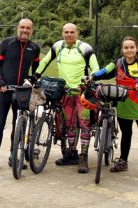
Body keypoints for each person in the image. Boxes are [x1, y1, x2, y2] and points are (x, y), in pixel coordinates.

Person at [34, 23, 99, 173]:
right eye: (66, 32)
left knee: (84, 124)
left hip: (82, 93)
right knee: (69, 125)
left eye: (72, 32)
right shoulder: (58, 46)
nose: (69, 35)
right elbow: (45, 61)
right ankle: (71, 154)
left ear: (77, 33)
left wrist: (91, 78)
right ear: (62, 33)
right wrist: (35, 75)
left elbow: (95, 67)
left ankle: (83, 157)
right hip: (66, 93)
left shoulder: (85, 48)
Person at [90, 36, 138, 178]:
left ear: (136, 49)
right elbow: (104, 71)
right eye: (126, 47)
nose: (129, 50)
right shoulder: (118, 63)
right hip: (123, 104)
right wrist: (91, 77)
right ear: (122, 50)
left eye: (132, 47)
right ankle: (123, 161)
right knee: (126, 134)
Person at [0, 18, 40, 171]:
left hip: (22, 92)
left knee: (18, 125)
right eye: (22, 27)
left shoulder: (34, 48)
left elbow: (36, 68)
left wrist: (33, 80)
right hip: (5, 90)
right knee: (0, 123)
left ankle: (13, 154)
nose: (25, 30)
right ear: (18, 28)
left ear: (32, 30)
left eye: (28, 28)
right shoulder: (7, 43)